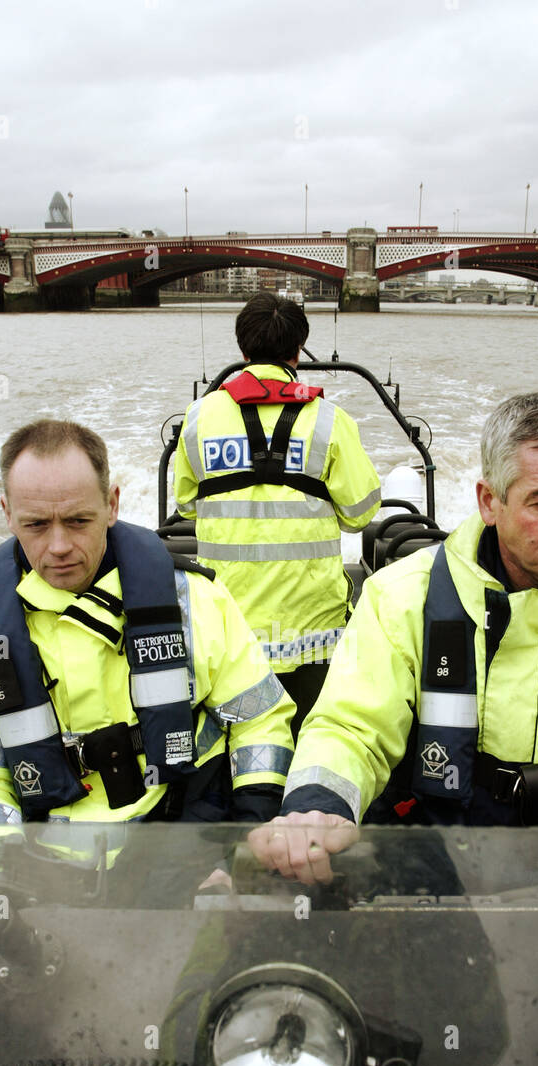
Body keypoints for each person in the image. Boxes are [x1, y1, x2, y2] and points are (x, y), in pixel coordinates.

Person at [250, 392, 538, 892]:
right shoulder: (401, 598)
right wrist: (317, 807)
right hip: (433, 849)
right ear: (489, 502)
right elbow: (351, 727)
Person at [0, 419, 296, 879]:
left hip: (189, 841)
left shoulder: (194, 599)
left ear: (112, 504)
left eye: (78, 521)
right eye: (36, 524)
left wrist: (247, 841)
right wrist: (2, 872)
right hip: (41, 863)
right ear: (7, 514)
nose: (58, 546)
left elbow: (259, 720)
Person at [172, 291, 382, 736]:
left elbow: (186, 504)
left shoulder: (198, 418)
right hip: (314, 631)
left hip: (229, 626)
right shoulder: (330, 420)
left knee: (238, 740)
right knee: (312, 735)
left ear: (242, 351)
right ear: (297, 352)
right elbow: (362, 513)